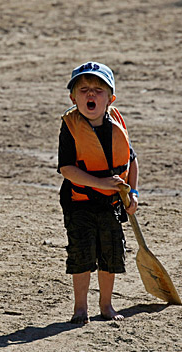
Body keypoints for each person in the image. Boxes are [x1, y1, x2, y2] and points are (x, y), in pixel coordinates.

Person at [57, 61, 139, 324]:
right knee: (81, 254)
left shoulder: (116, 123)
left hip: (112, 205)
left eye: (98, 90)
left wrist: (134, 192)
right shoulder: (70, 126)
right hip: (78, 203)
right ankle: (80, 309)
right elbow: (67, 169)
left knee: (110, 255)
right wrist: (101, 183)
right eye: (83, 90)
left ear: (110, 99)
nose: (90, 94)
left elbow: (131, 161)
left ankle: (106, 306)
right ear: (73, 97)